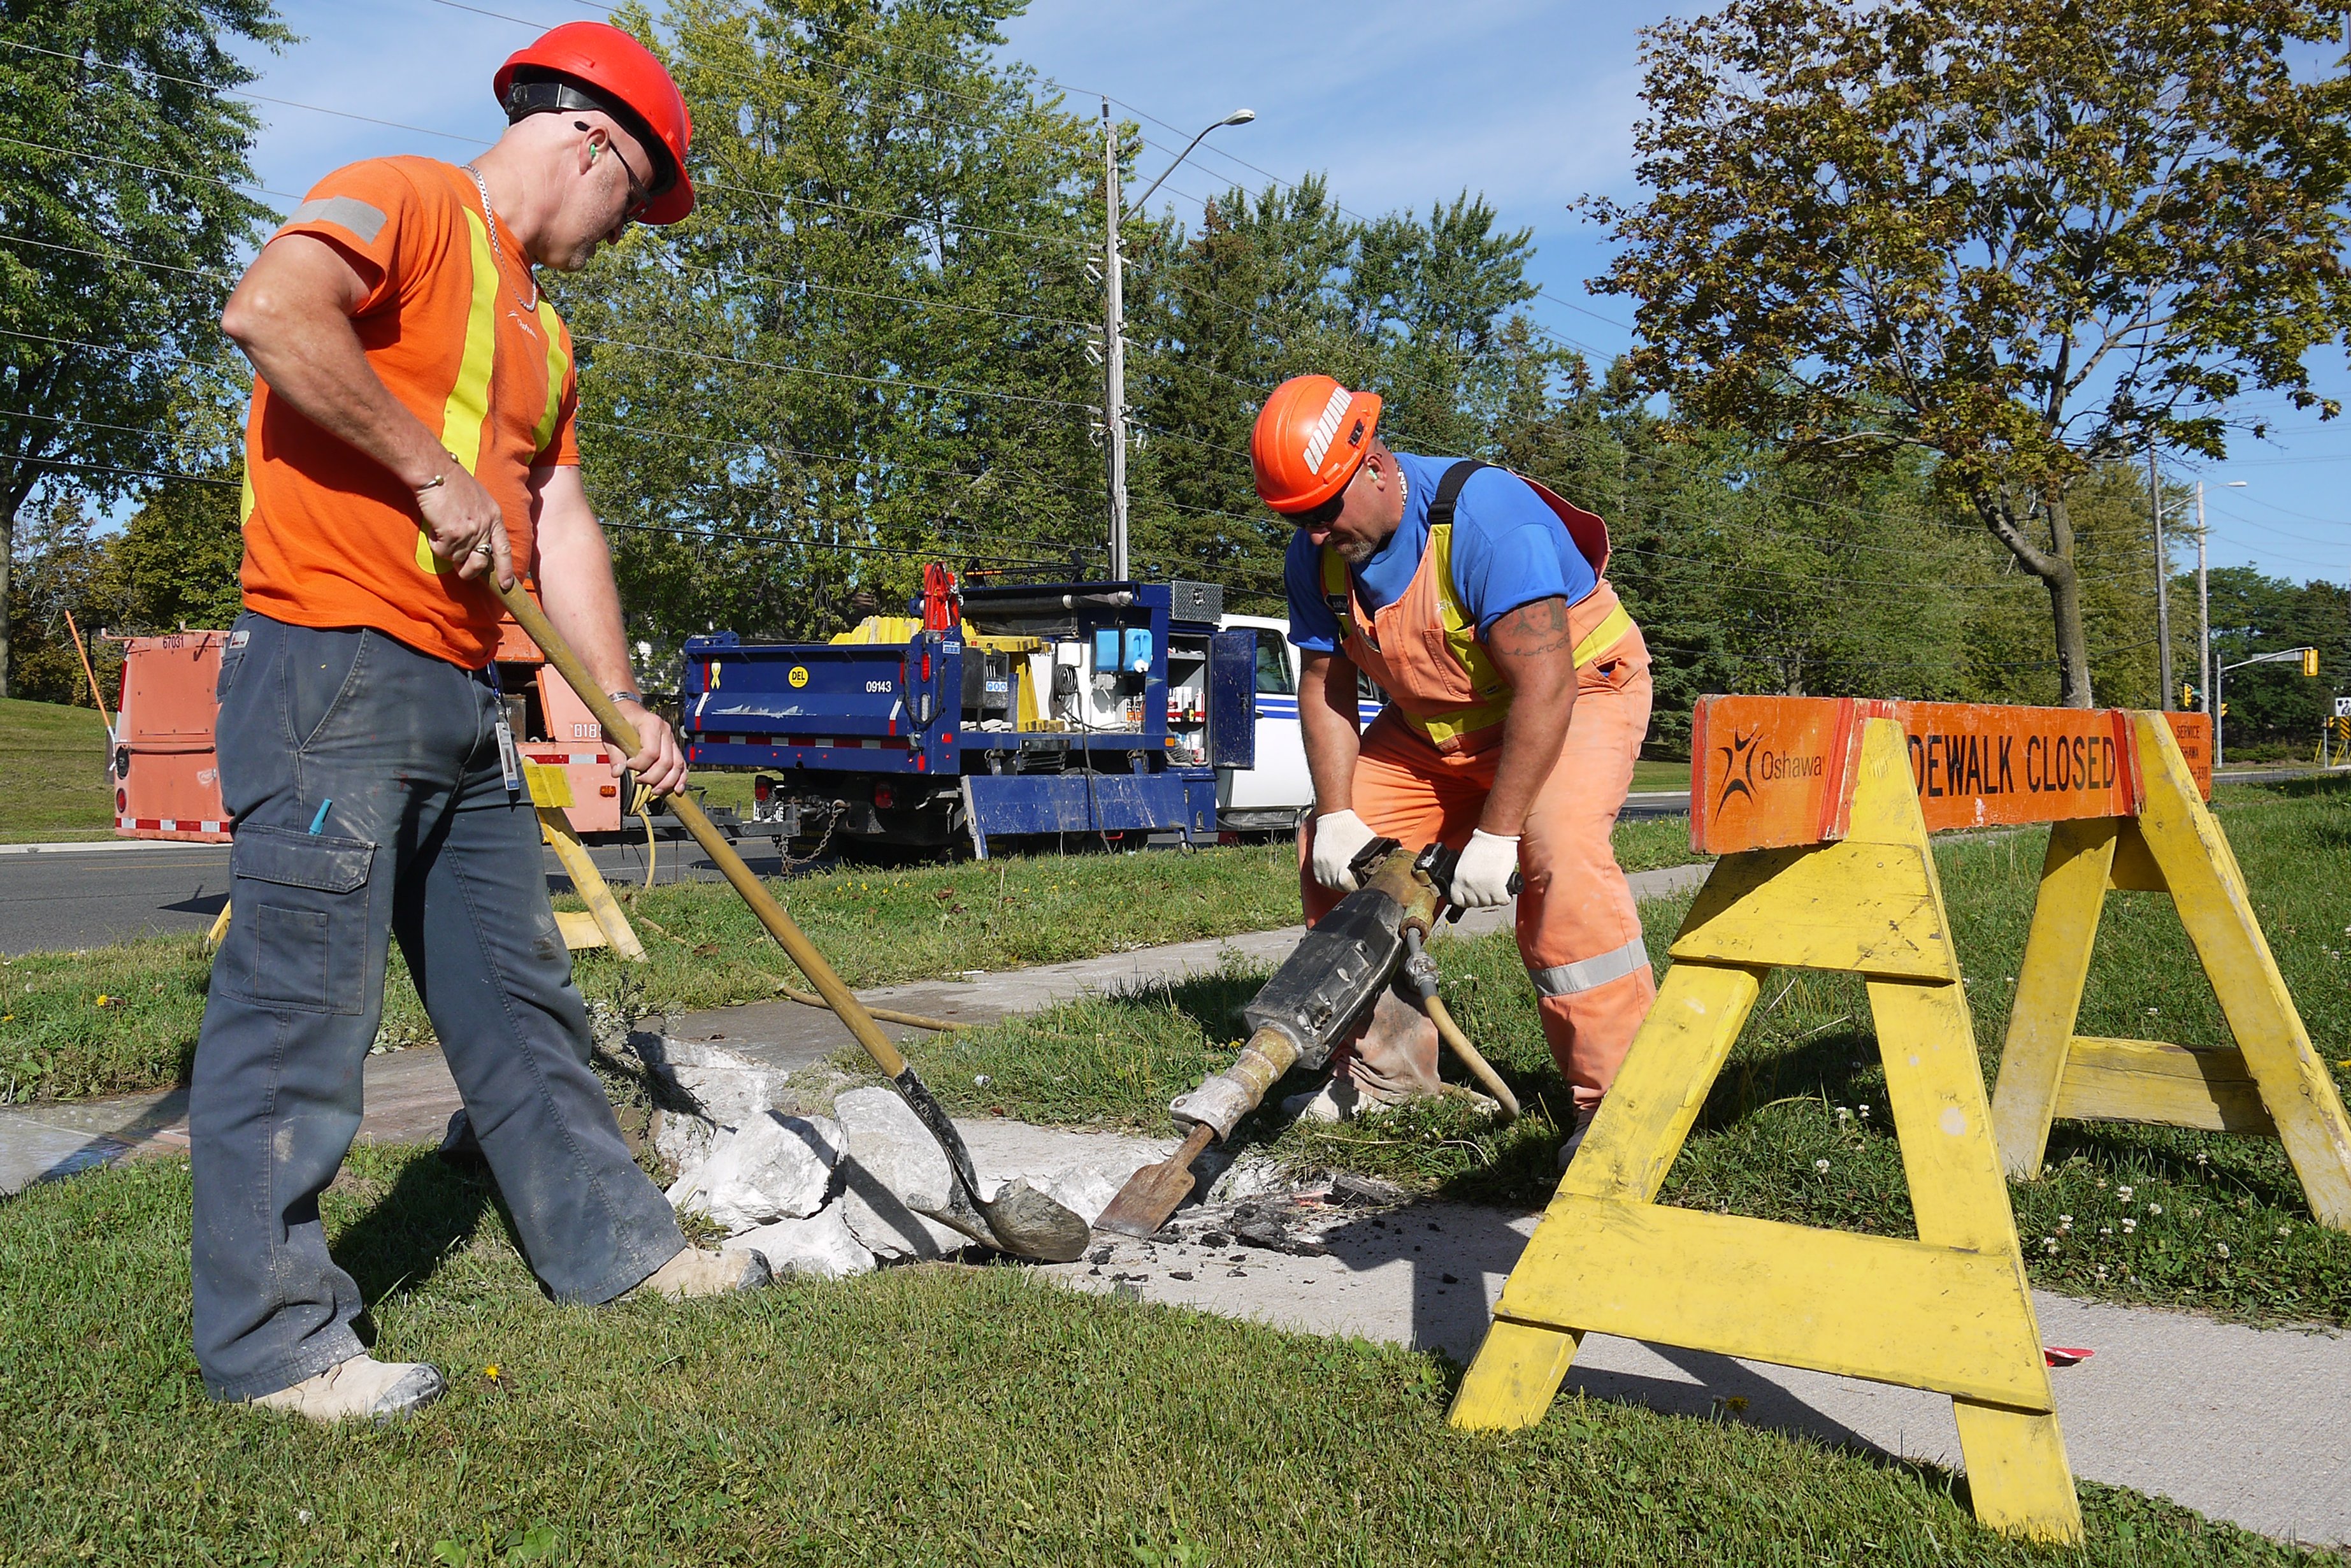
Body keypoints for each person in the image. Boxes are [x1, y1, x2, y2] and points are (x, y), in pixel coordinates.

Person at [194, 22, 765, 1426]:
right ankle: (276, 1345)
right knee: (296, 1015)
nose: (621, 231)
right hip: (332, 661)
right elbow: (269, 310)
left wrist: (619, 701)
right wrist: (424, 469)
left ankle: (616, 1256)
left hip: (462, 691)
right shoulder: (404, 195)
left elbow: (557, 517)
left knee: (522, 1002)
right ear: (586, 141)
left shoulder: (545, 329)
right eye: (630, 196)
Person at [1253, 375, 1656, 1163]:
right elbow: (1326, 683)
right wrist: (1337, 814)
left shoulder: (1484, 520)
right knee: (1333, 856)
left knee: (1560, 856)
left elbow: (1547, 686)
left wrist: (1500, 832)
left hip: (1578, 692)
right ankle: (1381, 1076)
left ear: (1374, 463)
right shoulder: (1320, 555)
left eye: (1326, 510)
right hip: (1440, 728)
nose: (1316, 534)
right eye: (1297, 519)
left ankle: (1621, 1107)